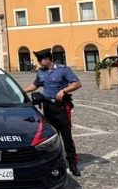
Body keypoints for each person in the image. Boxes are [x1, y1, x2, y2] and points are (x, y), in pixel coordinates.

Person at [23, 48, 82, 176]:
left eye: (40, 60)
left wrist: (64, 90)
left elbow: (77, 83)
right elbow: (35, 85)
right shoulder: (41, 72)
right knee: (50, 136)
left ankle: (72, 163)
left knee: (66, 136)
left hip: (61, 107)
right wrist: (22, 91)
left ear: (47, 59)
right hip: (48, 107)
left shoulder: (62, 70)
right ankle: (53, 162)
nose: (38, 62)